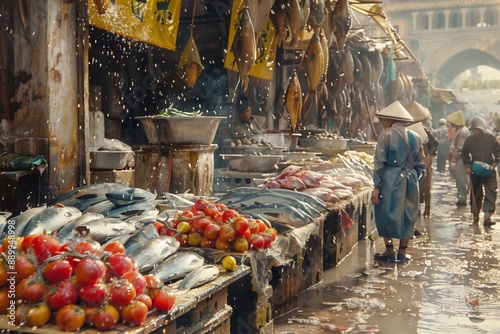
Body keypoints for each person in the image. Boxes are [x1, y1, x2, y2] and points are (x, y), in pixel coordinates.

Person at [371, 101, 426, 262]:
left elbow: (379, 162)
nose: (381, 123)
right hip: (411, 179)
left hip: (390, 178)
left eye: (383, 120)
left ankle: (389, 250)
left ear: (390, 120)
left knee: (385, 212)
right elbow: (421, 165)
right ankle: (402, 252)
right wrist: (414, 180)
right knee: (408, 214)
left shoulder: (386, 134)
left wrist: (377, 186)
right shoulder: (416, 136)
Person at [461, 115, 500, 226]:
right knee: (476, 193)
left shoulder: (490, 138)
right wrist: (468, 166)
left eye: (478, 129)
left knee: (491, 192)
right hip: (475, 170)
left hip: (489, 170)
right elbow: (464, 155)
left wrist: (494, 163)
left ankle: (487, 217)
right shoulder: (469, 140)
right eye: (474, 129)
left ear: (482, 128)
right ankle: (475, 215)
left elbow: (498, 152)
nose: (476, 131)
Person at [447, 110, 470, 206]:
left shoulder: (462, 132)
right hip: (459, 158)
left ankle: (463, 199)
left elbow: (460, 148)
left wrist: (453, 155)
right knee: (459, 178)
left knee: (462, 179)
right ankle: (461, 197)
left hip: (462, 158)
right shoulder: (459, 130)